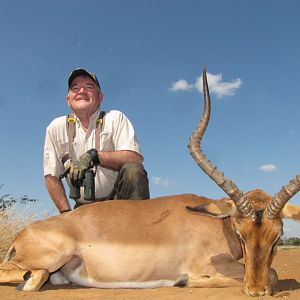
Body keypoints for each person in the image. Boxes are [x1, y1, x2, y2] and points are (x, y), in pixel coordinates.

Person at [44, 68, 150, 213]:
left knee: (133, 170)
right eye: (75, 88)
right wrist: (65, 213)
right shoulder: (55, 127)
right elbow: (51, 175)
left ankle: (138, 225)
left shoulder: (115, 118)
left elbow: (135, 158)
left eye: (89, 87)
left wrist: (95, 156)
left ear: (100, 97)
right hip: (83, 208)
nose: (81, 91)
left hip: (119, 201)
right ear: (68, 99)